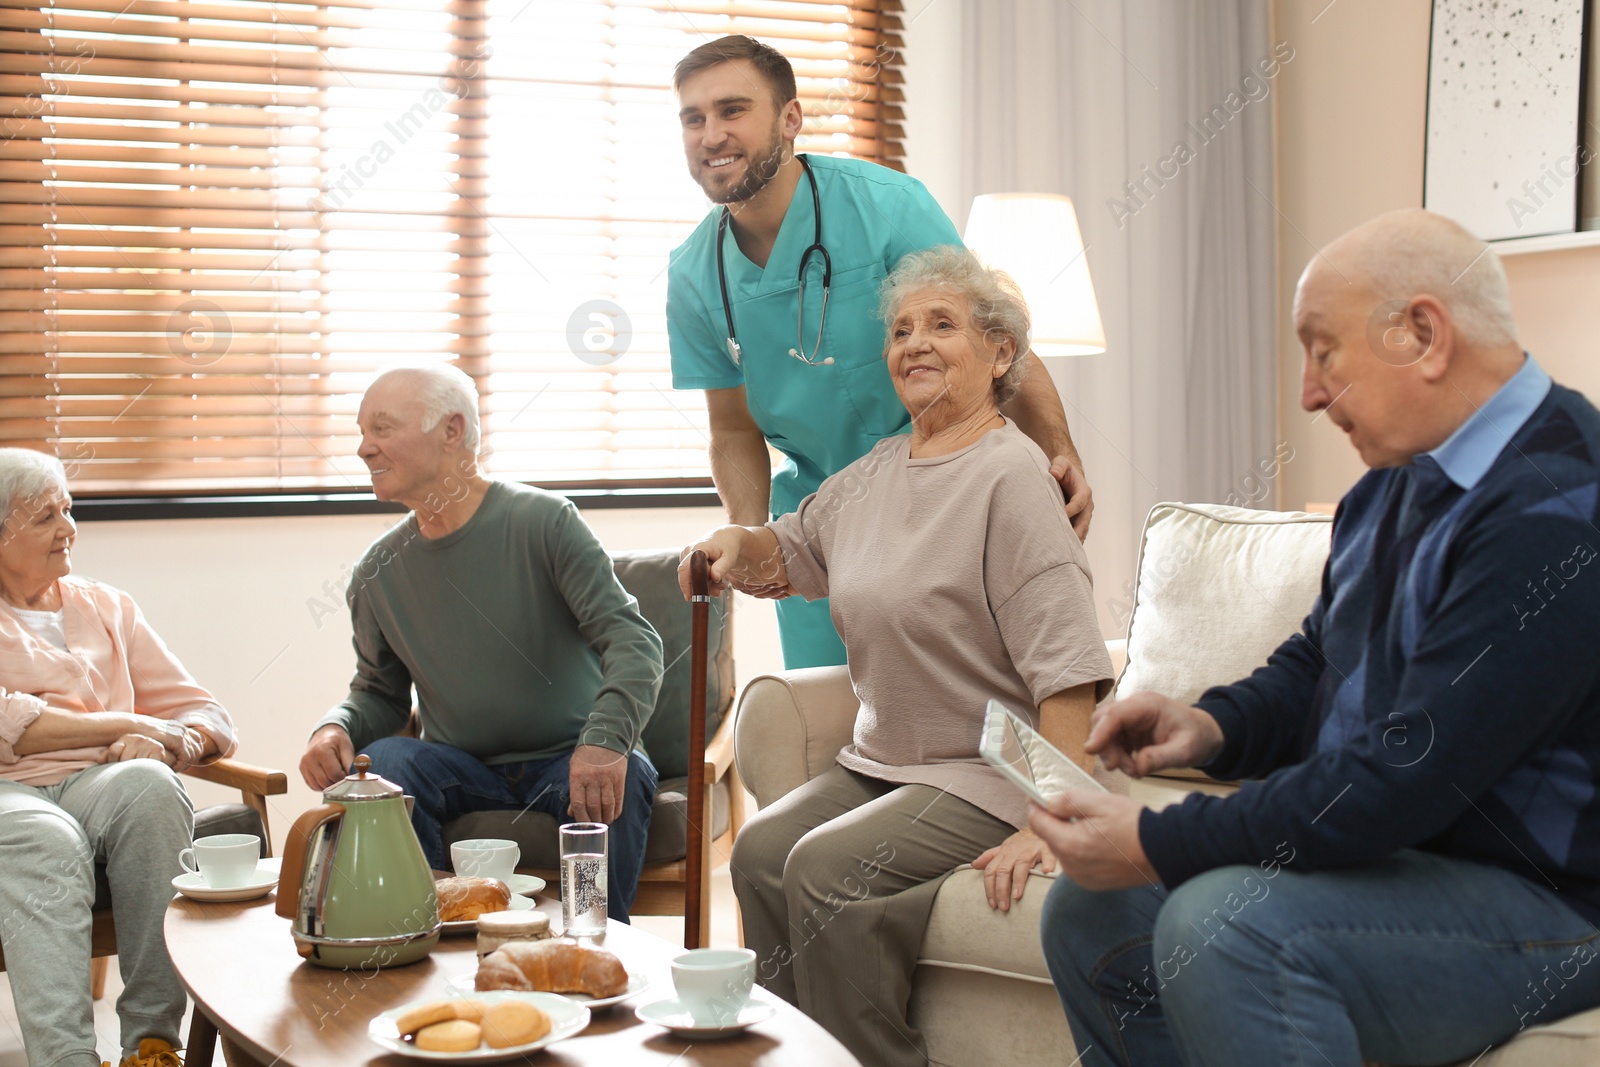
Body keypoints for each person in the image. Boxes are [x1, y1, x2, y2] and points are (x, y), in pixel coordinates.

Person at [1031, 209, 1600, 1067]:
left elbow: (1406, 773)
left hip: (1554, 904)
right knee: (1088, 910)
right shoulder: (1394, 483)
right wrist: (1215, 726)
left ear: (1422, 335)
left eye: (1322, 349)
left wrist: (1157, 839)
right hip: (1410, 863)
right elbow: (1319, 662)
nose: (1307, 391)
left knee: (1225, 925)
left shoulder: (1556, 502)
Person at [680, 248, 1114, 1067]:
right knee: (762, 851)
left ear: (1000, 354)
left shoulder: (1010, 475)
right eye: (901, 329)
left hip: (989, 765)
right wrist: (735, 541)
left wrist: (1050, 818)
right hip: (890, 757)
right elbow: (793, 548)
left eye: (941, 325)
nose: (914, 343)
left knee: (825, 867)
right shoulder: (880, 469)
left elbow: (1068, 667)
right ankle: (798, 1056)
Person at [666, 35, 1095, 670]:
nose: (710, 134)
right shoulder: (692, 274)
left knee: (963, 705)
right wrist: (753, 536)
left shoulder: (886, 207)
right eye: (693, 118)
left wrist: (1060, 449)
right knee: (824, 721)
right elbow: (732, 427)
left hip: (941, 492)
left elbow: (988, 333)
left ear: (790, 119)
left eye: (732, 110)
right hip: (816, 522)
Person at [298, 365, 664, 922]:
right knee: (390, 762)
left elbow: (633, 641)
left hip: (565, 762)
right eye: (361, 431)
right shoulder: (377, 572)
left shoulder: (544, 522)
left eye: (382, 428)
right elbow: (380, 693)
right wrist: (337, 727)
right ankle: (418, 935)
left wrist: (607, 740)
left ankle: (590, 939)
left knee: (628, 770)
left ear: (451, 431)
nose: (364, 448)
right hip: (460, 770)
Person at [0, 448, 236, 1067]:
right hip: (9, 791)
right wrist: (135, 722)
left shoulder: (107, 606)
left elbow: (206, 714)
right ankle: (66, 1057)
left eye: (67, 509)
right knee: (43, 837)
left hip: (96, 781)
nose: (67, 528)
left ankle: (153, 1043)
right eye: (44, 517)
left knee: (150, 786)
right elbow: (12, 725)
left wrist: (170, 742)